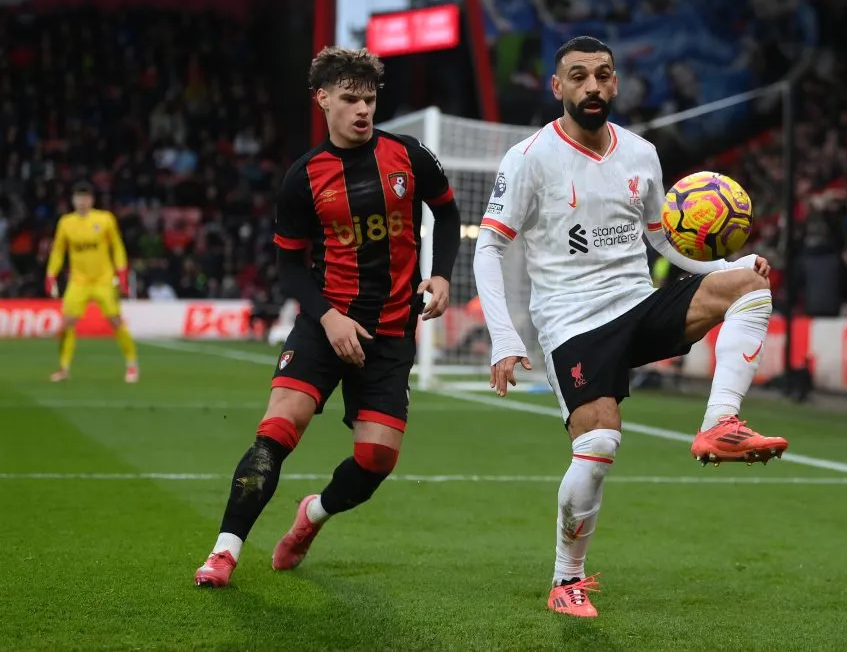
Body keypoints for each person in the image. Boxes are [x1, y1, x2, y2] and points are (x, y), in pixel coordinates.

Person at [473, 36, 789, 618]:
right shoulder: (529, 158)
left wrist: (728, 267)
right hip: (572, 324)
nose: (592, 86)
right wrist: (505, 336)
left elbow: (662, 239)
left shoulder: (641, 153)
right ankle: (566, 579)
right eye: (578, 76)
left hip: (638, 305)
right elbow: (488, 248)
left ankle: (720, 425)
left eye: (603, 75)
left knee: (751, 286)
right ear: (558, 87)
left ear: (615, 84)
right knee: (598, 444)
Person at [194, 46, 462, 588]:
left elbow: (449, 211)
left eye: (369, 99)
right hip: (323, 326)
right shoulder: (303, 177)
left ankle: (311, 516)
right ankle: (224, 552)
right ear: (323, 100)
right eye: (350, 99)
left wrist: (441, 273)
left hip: (389, 335)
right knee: (275, 431)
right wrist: (329, 317)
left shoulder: (410, 155)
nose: (363, 110)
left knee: (376, 462)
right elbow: (289, 269)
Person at [45, 181, 138, 383]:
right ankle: (64, 368)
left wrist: (121, 272)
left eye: (85, 198)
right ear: (72, 200)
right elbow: (58, 251)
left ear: (92, 200)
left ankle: (131, 364)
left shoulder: (105, 219)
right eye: (78, 198)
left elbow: (117, 246)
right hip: (78, 281)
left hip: (103, 279)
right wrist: (51, 274)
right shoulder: (66, 223)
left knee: (115, 321)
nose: (82, 202)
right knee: (67, 323)